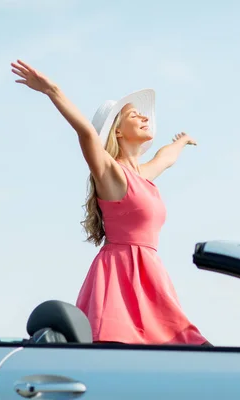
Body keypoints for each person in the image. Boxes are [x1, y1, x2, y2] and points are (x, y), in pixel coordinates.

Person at [11, 59, 211, 346]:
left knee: (188, 346)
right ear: (117, 130)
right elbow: (86, 133)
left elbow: (166, 158)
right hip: (119, 277)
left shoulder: (142, 174)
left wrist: (181, 141)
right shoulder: (111, 174)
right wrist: (52, 90)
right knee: (120, 348)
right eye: (134, 116)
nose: (144, 118)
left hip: (150, 276)